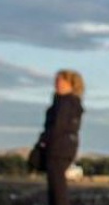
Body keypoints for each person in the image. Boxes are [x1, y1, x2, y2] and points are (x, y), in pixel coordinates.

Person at [39, 69, 84, 205]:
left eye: (61, 81)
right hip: (64, 148)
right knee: (56, 188)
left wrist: (43, 141)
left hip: (58, 149)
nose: (57, 84)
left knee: (57, 190)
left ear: (71, 84)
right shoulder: (71, 102)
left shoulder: (65, 102)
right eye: (56, 80)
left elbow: (58, 126)